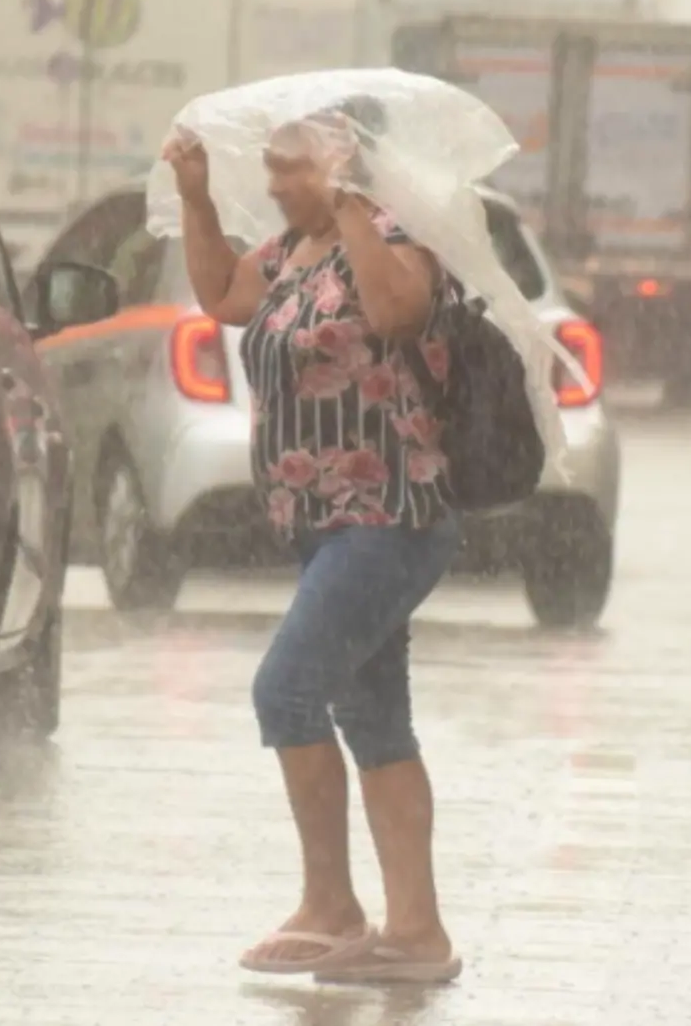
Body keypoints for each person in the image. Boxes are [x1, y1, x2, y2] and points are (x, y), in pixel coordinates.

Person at [162, 99, 466, 984]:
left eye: (288, 164)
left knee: (286, 692)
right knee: (374, 719)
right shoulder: (291, 254)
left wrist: (348, 211)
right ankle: (418, 934)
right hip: (323, 519)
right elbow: (222, 295)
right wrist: (197, 199)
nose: (272, 180)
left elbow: (397, 311)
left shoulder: (398, 237)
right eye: (270, 164)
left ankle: (331, 904)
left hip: (392, 513)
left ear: (341, 161)